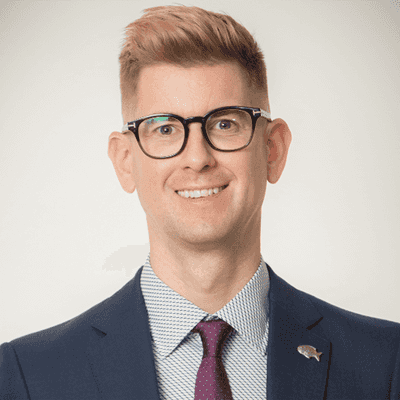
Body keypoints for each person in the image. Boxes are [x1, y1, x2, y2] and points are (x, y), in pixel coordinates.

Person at [1, 4, 399, 399]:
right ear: (126, 161)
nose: (197, 158)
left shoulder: (386, 363)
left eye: (225, 123)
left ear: (272, 149)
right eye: (165, 128)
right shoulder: (25, 377)